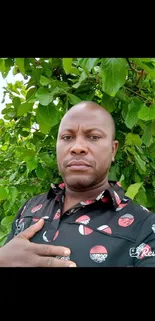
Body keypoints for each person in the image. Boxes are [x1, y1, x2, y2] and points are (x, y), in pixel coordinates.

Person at [1, 100, 155, 267]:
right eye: (67, 137)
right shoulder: (31, 207)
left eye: (93, 137)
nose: (77, 147)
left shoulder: (145, 228)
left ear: (113, 150)